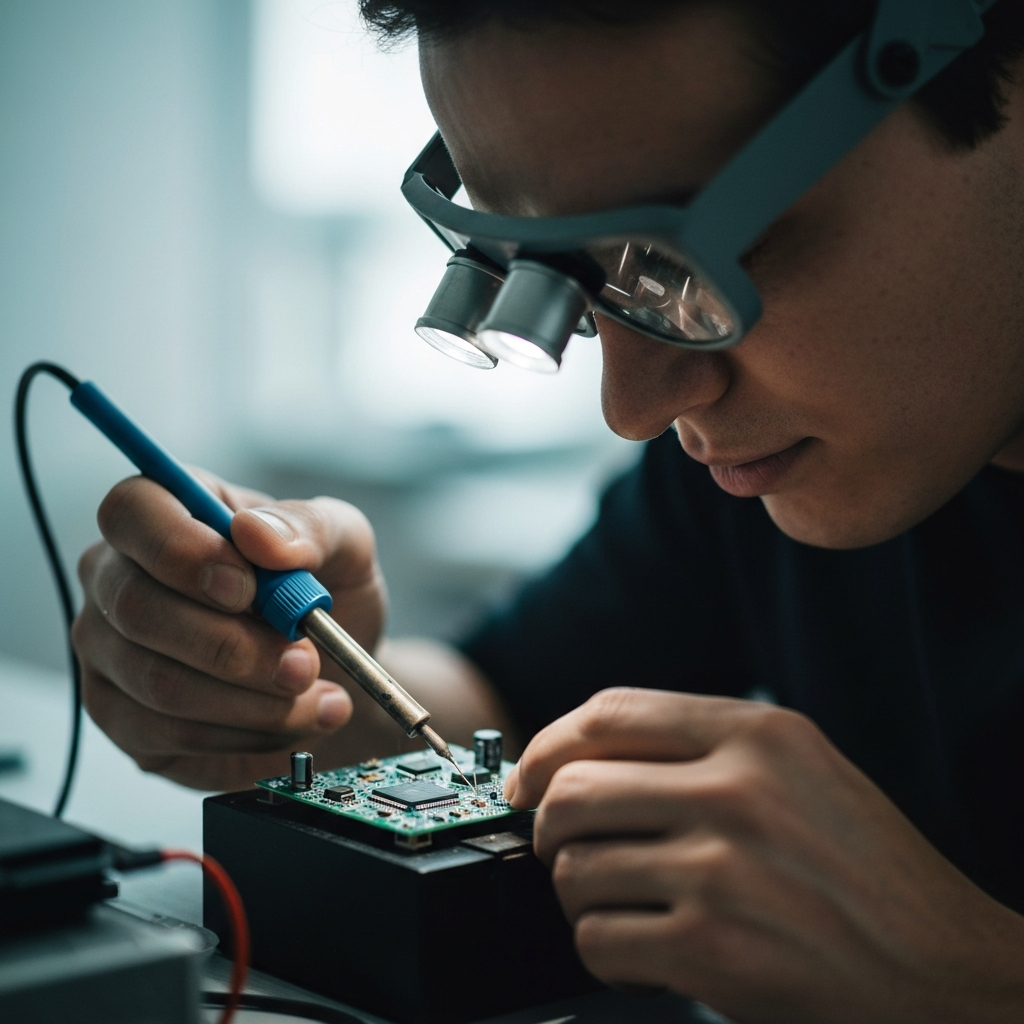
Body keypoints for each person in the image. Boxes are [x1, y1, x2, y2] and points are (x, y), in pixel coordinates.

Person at [72, 1, 1024, 1019]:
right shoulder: (773, 458)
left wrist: (977, 976)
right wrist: (287, 686)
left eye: (687, 265)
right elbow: (509, 711)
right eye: (575, 281)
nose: (636, 406)